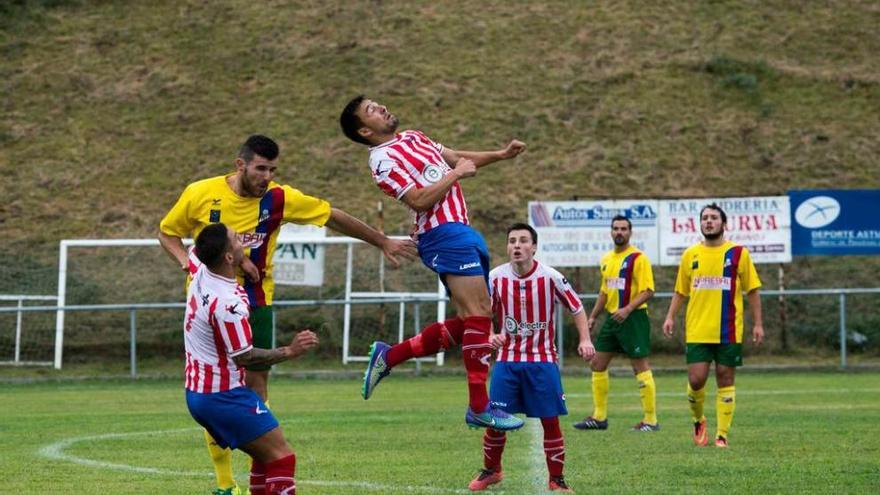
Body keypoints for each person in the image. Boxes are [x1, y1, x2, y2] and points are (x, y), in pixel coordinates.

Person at [159, 134, 417, 494]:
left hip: (256, 302)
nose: (267, 176)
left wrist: (382, 240)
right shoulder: (200, 193)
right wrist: (190, 266)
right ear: (240, 165)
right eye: (260, 168)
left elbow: (333, 217)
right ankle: (224, 483)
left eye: (272, 169)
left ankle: (260, 472)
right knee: (217, 381)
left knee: (254, 387)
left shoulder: (278, 198)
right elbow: (168, 232)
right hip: (210, 308)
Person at [339, 95, 526, 431]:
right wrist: (455, 175)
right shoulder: (381, 160)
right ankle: (479, 406)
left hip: (461, 230)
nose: (381, 107)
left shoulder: (414, 136)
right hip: (440, 234)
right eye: (371, 110)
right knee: (480, 313)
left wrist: (500, 154)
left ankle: (390, 355)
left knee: (474, 317)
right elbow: (419, 200)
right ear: (365, 131)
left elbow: (458, 158)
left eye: (378, 103)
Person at [183, 223, 319, 495]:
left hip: (200, 392)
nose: (241, 239)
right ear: (228, 257)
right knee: (282, 457)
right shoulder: (227, 303)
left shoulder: (200, 268)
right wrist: (289, 351)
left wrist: (242, 261)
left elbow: (192, 250)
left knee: (263, 456)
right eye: (236, 239)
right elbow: (244, 357)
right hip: (223, 396)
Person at [468, 223, 594, 493]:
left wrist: (585, 339)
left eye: (523, 241)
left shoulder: (551, 277)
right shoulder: (495, 278)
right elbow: (481, 312)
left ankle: (557, 480)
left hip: (542, 360)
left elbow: (577, 307)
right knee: (496, 419)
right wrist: (490, 335)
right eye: (512, 240)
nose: (517, 245)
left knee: (550, 420)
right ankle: (492, 470)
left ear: (534, 247)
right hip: (507, 360)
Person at [662, 203, 764, 448]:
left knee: (725, 378)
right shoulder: (690, 255)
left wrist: (758, 324)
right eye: (705, 218)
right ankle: (699, 420)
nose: (708, 221)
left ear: (723, 223)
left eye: (714, 218)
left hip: (729, 328)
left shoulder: (739, 253)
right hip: (697, 328)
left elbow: (752, 290)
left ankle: (722, 435)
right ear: (700, 223)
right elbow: (680, 290)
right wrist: (670, 316)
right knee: (696, 380)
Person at [573, 215, 658, 432]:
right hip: (612, 318)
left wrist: (627, 309)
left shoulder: (638, 258)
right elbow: (604, 291)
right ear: (611, 232)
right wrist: (592, 316)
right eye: (616, 228)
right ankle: (599, 417)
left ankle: (651, 420)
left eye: (623, 228)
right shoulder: (607, 259)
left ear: (630, 232)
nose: (619, 232)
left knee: (640, 367)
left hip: (634, 318)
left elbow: (648, 290)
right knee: (597, 364)